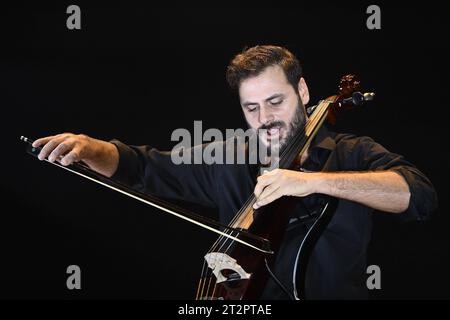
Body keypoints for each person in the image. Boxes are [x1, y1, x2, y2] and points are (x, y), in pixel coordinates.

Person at [32, 45, 437, 299]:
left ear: (303, 92)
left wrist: (310, 181)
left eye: (276, 101)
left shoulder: (354, 154)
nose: (266, 119)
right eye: (252, 107)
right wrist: (90, 147)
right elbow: (143, 167)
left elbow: (418, 196)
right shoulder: (227, 155)